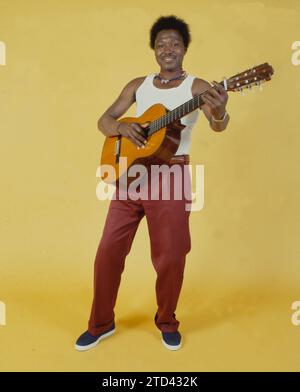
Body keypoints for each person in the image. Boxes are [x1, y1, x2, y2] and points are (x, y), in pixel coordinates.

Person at [75, 15, 229, 352]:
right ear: (154, 51)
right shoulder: (137, 85)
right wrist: (121, 129)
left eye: (174, 42)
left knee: (171, 256)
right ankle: (100, 323)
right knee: (108, 252)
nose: (167, 48)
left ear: (185, 48)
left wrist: (219, 112)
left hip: (171, 175)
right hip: (131, 176)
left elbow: (218, 126)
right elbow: (105, 120)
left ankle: (166, 321)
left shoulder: (199, 88)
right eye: (161, 44)